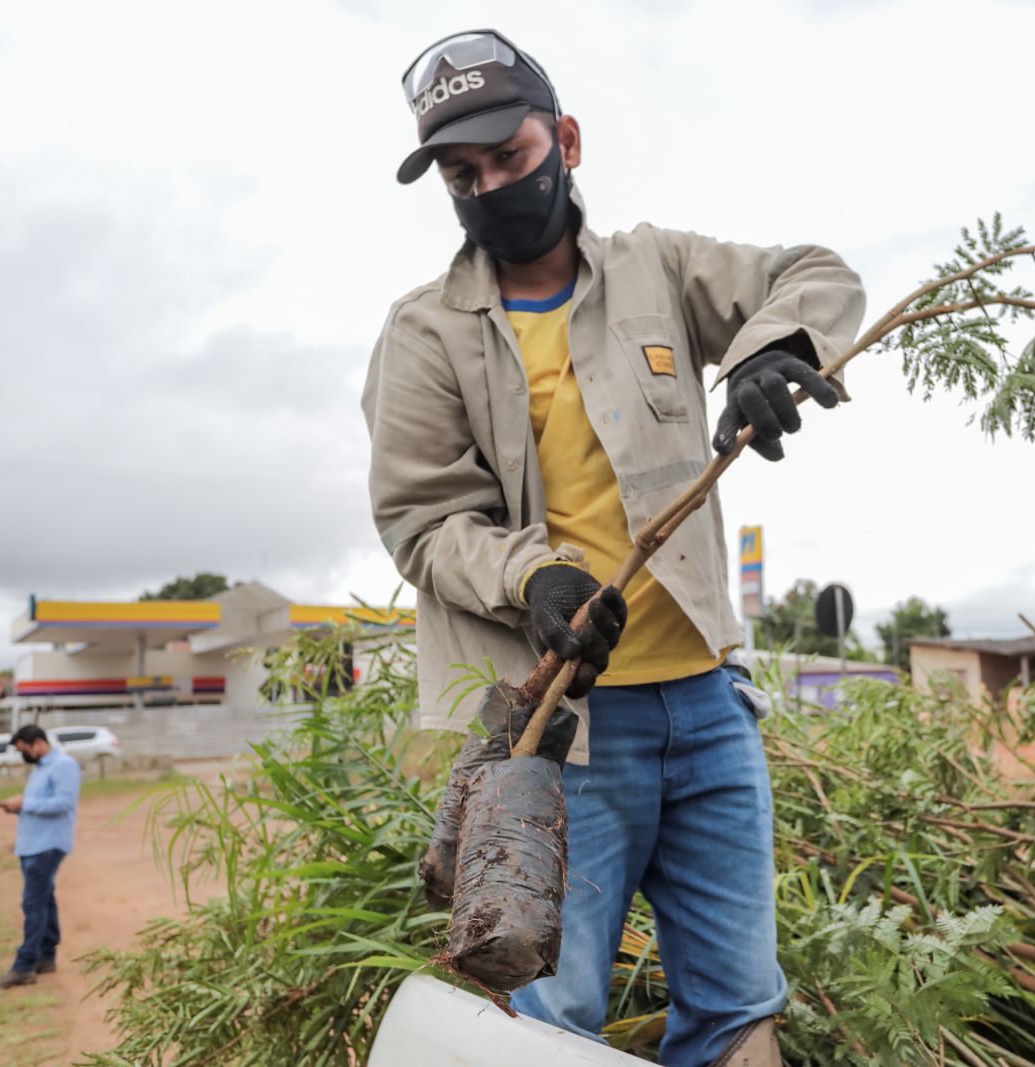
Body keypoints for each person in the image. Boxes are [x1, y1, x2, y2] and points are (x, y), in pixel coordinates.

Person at [364, 29, 865, 1067]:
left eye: (509, 156)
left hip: (708, 708)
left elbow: (812, 273)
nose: (491, 185)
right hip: (560, 736)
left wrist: (776, 348)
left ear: (568, 141)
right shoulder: (425, 332)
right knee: (553, 1028)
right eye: (463, 174)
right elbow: (420, 521)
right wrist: (533, 572)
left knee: (739, 1010)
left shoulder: (659, 270)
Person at [0, 724, 81, 990]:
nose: (22, 755)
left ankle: (24, 966)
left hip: (48, 845)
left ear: (37, 743)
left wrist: (25, 804)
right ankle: (46, 956)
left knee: (34, 903)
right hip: (33, 844)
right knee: (45, 899)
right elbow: (40, 804)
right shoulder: (41, 769)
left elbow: (64, 803)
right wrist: (17, 806)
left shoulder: (63, 765)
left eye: (23, 750)